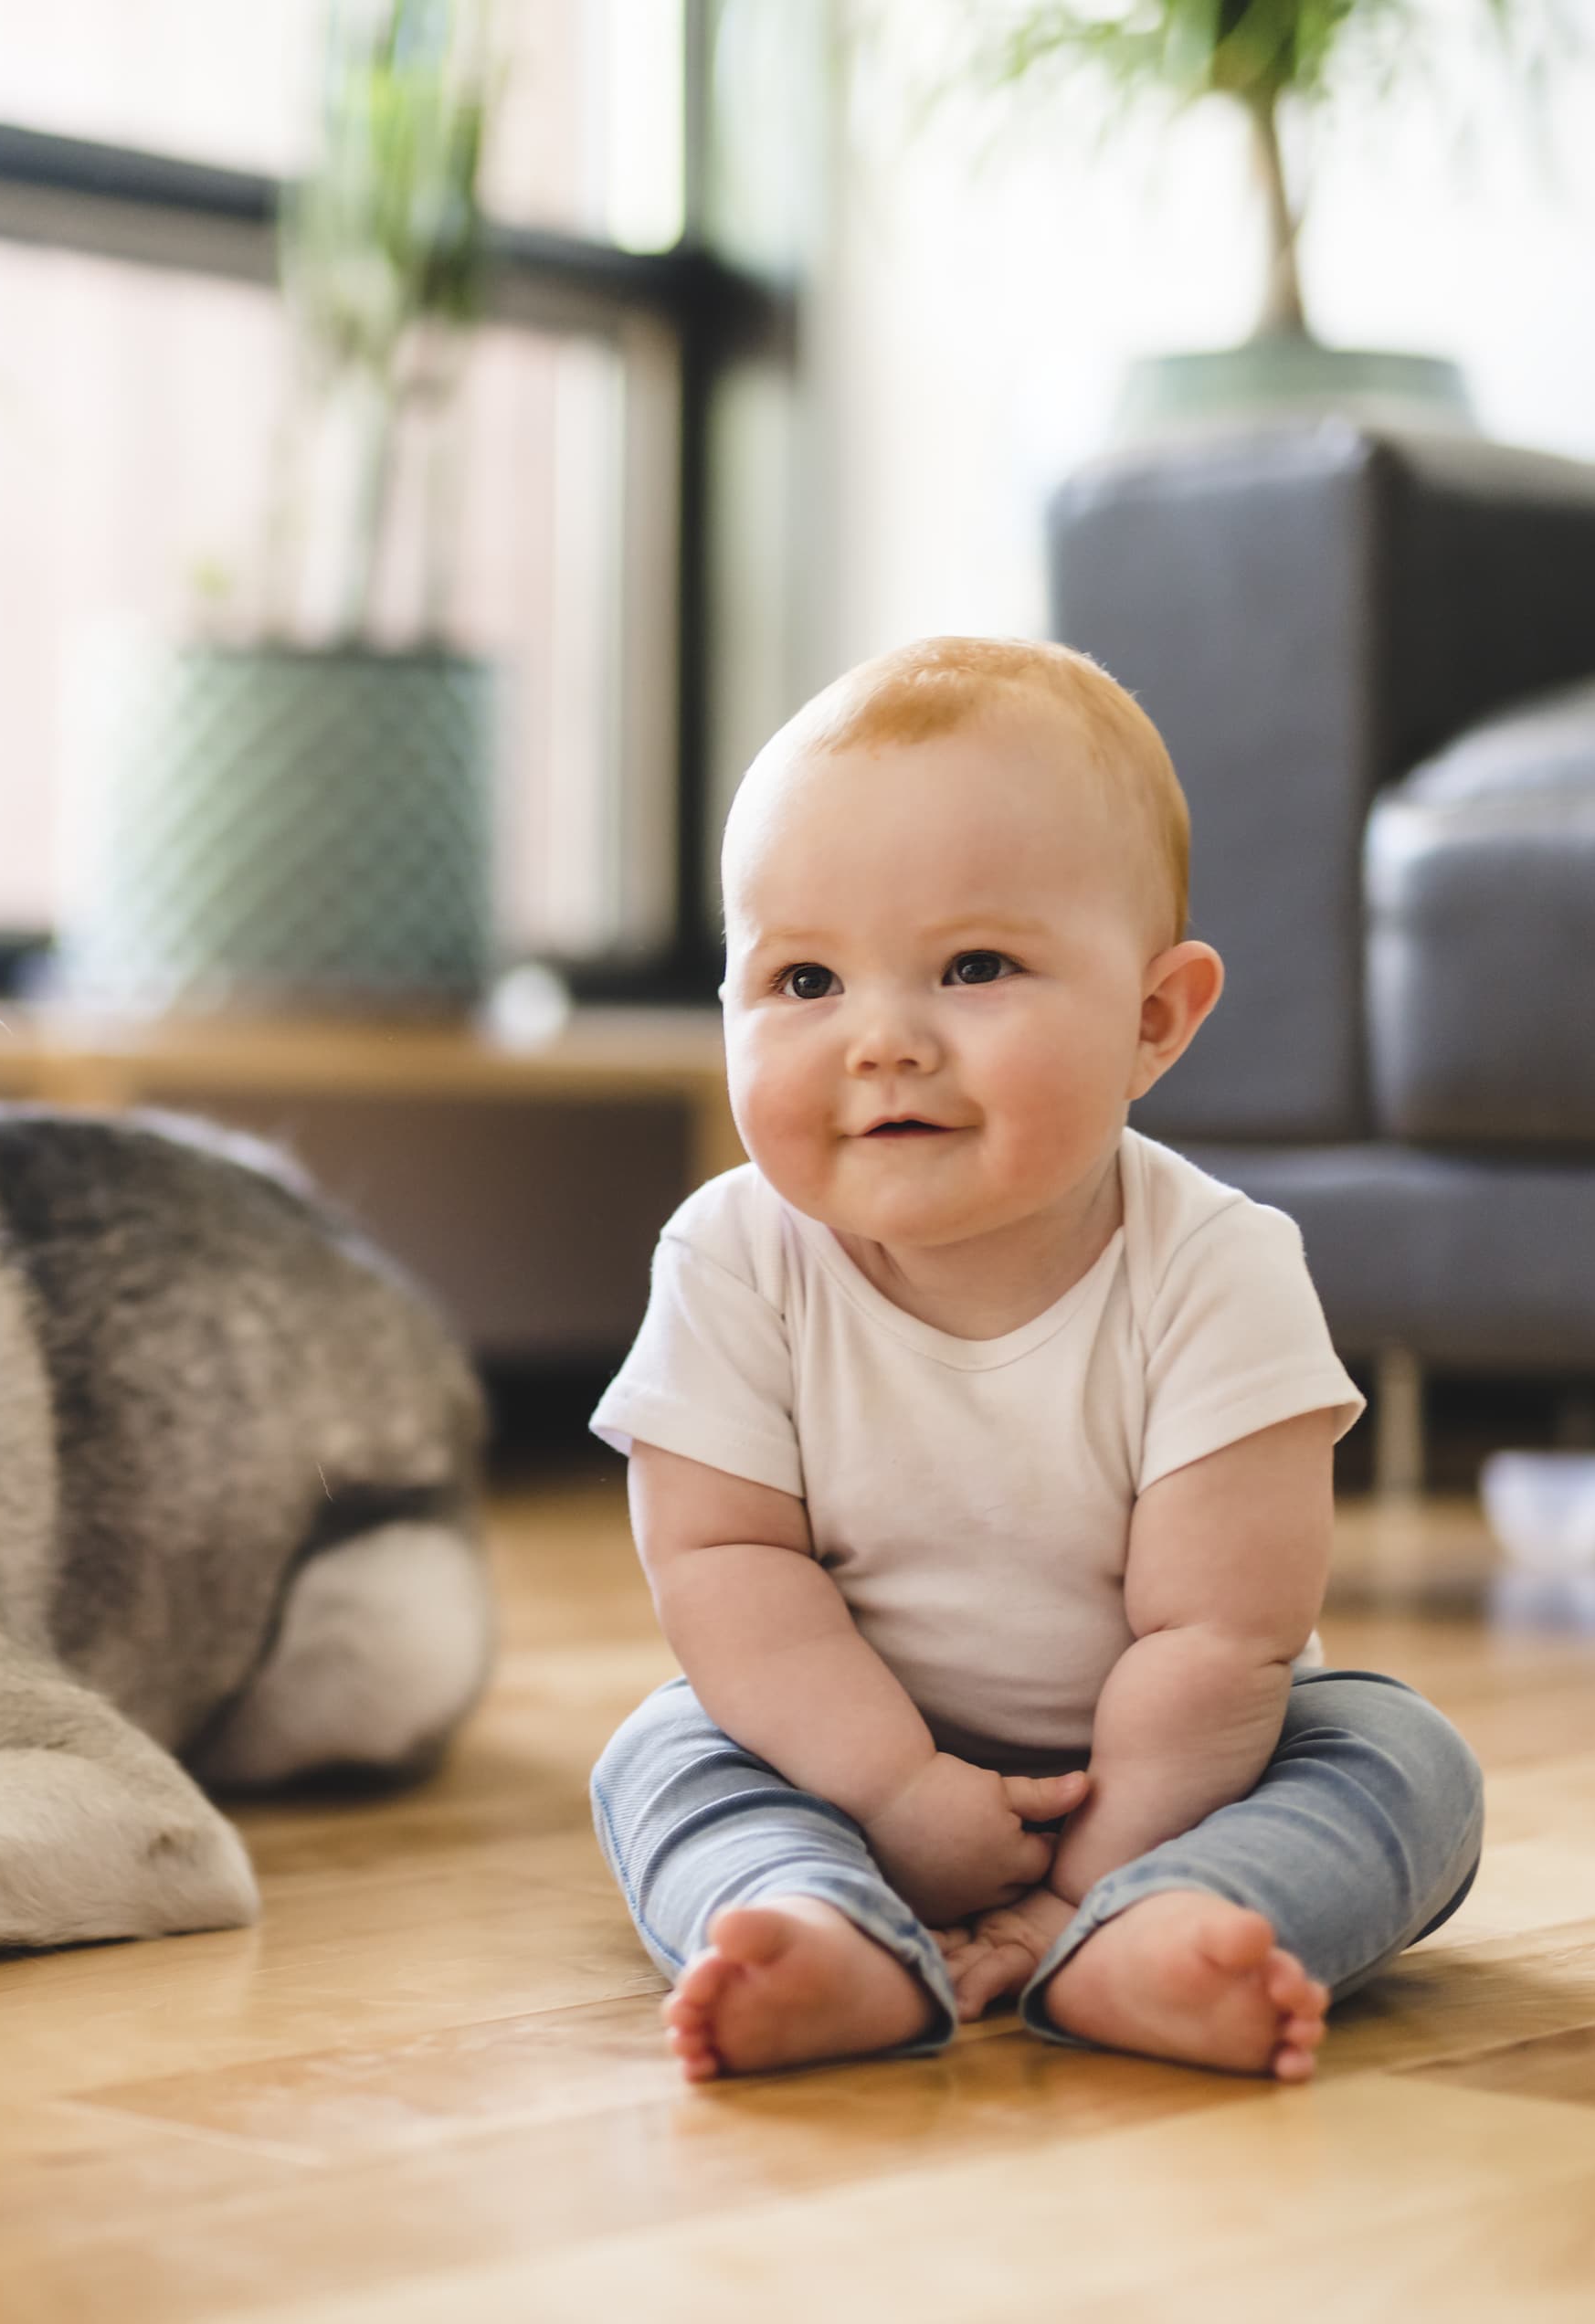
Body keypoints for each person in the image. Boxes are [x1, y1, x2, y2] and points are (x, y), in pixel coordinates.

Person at [587, 638, 1483, 2082]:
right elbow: (723, 1568)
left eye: (974, 967)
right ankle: (814, 1927)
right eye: (804, 978)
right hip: (836, 1746)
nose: (882, 1041)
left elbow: (1218, 1637)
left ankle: (1162, 1928)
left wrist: (1082, 1879)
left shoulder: (1217, 1269)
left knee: (1403, 1759)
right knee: (664, 1751)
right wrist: (892, 1787)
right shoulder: (732, 1257)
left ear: (1154, 1018)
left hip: (1188, 1768)